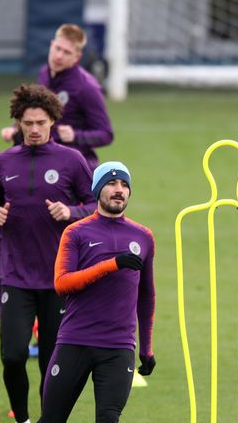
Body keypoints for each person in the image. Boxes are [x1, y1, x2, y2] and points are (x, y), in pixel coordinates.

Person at [0, 84, 97, 423]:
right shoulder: (2, 163)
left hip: (58, 278)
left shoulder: (72, 160)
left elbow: (93, 204)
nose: (33, 130)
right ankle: (22, 418)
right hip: (15, 275)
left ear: (52, 122)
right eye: (27, 123)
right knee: (13, 355)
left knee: (52, 361)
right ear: (18, 123)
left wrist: (71, 213)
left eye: (40, 123)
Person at [39, 161, 156, 423]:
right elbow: (62, 283)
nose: (119, 190)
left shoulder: (143, 236)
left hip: (118, 346)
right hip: (74, 341)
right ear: (97, 190)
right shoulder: (76, 232)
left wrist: (146, 349)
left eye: (124, 185)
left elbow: (147, 295)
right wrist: (112, 265)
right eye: (112, 183)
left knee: (108, 418)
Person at [1, 23, 113, 170]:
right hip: (42, 158)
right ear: (51, 45)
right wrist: (15, 129)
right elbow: (36, 111)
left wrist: (75, 135)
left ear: (77, 57)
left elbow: (105, 134)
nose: (59, 56)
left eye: (67, 52)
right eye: (57, 49)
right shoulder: (44, 74)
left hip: (73, 167)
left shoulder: (87, 87)